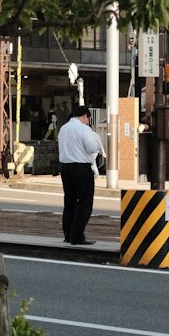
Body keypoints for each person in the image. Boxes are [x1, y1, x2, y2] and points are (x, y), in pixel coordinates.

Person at [57, 101, 103, 245]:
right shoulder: (84, 129)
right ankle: (77, 236)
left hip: (66, 168)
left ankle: (68, 235)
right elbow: (91, 148)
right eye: (88, 119)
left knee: (69, 202)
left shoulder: (63, 128)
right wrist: (97, 143)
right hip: (82, 168)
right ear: (84, 116)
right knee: (84, 203)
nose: (88, 121)